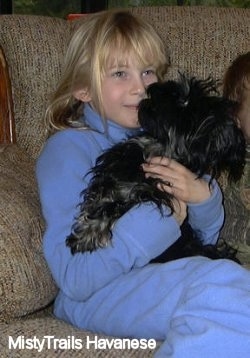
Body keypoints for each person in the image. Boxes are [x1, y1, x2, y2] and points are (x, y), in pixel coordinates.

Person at [36, 10, 250, 357]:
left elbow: (203, 239)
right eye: (120, 73)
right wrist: (164, 218)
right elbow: (73, 276)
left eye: (148, 71)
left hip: (156, 278)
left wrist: (201, 198)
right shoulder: (69, 149)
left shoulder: (163, 136)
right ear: (83, 88)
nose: (141, 87)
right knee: (218, 285)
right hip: (97, 294)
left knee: (224, 286)